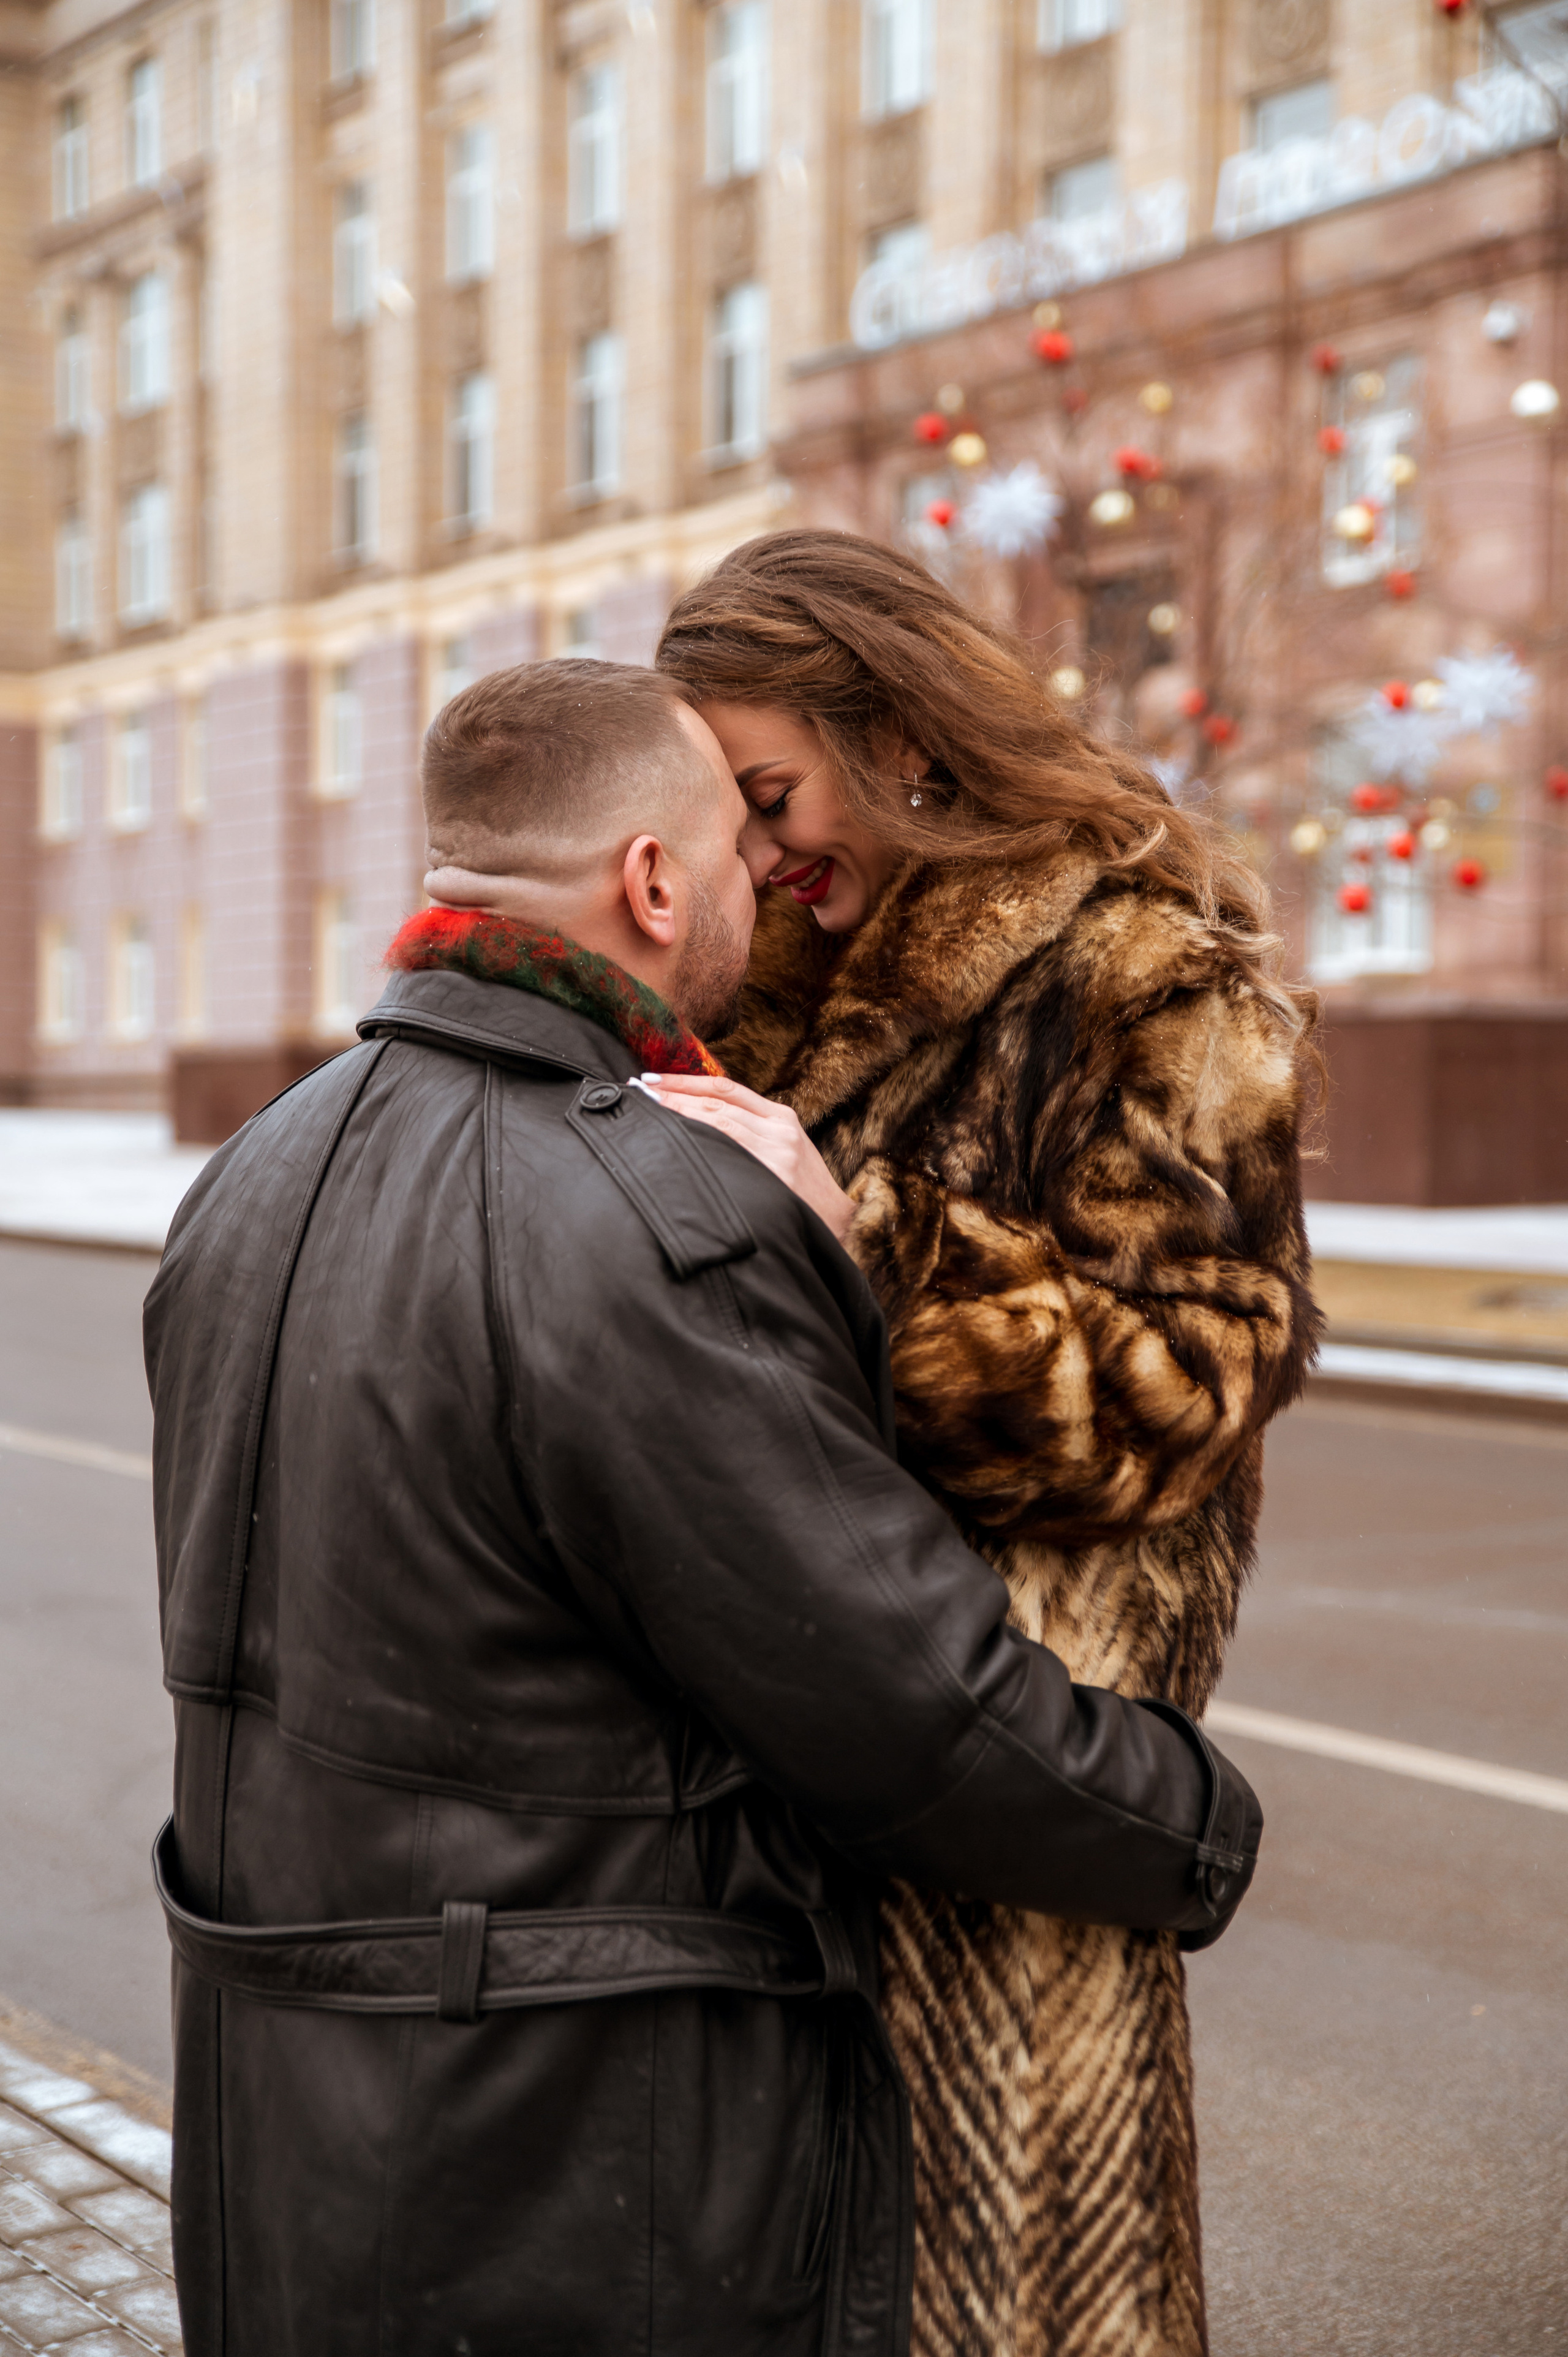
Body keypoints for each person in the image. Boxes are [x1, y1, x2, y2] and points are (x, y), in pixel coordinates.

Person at [145, 657, 1261, 2357]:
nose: (765, 889)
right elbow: (906, 1704)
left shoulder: (257, 1169)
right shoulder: (655, 1209)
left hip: (288, 2141)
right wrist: (1191, 1819)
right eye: (733, 845)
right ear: (652, 884)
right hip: (575, 2155)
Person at [650, 534, 1321, 2357]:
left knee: (1008, 2303)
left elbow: (1195, 1377)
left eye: (771, 791)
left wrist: (852, 1238)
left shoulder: (1154, 980)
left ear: (898, 733)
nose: (764, 850)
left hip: (1012, 1762)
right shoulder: (777, 986)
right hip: (782, 1738)